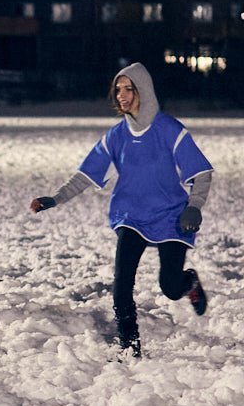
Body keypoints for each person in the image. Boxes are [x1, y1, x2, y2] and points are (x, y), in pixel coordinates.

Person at [29, 62, 212, 358]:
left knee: (169, 286)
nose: (122, 95)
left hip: (170, 217)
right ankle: (129, 346)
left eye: (129, 89)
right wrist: (56, 198)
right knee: (122, 284)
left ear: (144, 91)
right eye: (118, 89)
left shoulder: (170, 130)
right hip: (132, 217)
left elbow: (201, 173)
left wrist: (194, 207)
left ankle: (188, 282)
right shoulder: (116, 136)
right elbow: (86, 175)